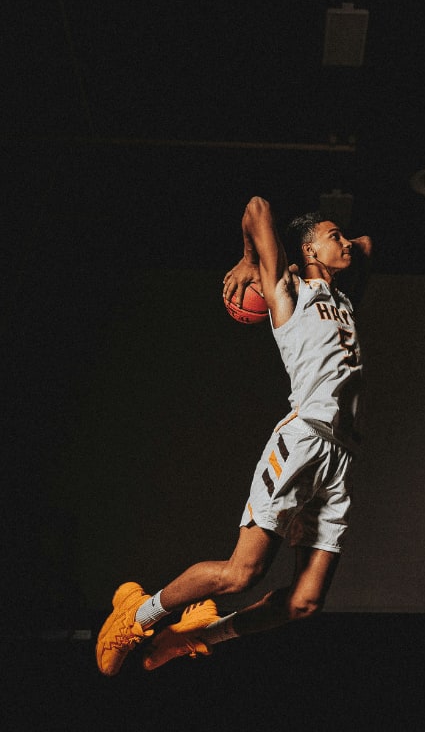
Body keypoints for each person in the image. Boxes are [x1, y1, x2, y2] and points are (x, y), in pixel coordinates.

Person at [95, 196, 372, 676]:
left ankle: (195, 635)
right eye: (335, 237)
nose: (346, 242)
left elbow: (366, 244)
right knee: (241, 573)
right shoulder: (287, 292)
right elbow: (258, 207)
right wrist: (251, 260)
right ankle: (137, 615)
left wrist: (337, 242)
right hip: (303, 441)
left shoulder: (344, 300)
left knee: (306, 602)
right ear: (307, 250)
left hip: (341, 457)